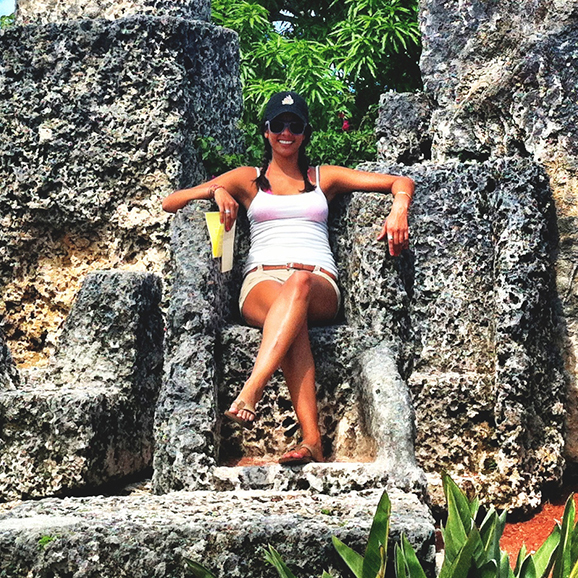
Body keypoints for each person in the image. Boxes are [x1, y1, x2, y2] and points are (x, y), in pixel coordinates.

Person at [161, 89, 414, 465]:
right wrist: (217, 190)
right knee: (289, 316)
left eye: (294, 125)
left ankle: (253, 388)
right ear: (265, 131)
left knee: (297, 284)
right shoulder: (248, 179)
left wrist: (399, 209)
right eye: (278, 124)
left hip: (318, 284)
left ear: (305, 133)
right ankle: (312, 441)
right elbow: (171, 201)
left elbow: (399, 181)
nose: (286, 132)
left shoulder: (322, 177)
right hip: (261, 283)